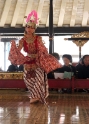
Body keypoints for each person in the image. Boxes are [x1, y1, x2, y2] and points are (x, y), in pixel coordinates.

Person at [8, 10, 61, 104]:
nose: (30, 29)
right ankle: (36, 96)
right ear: (25, 27)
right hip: (28, 61)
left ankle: (34, 97)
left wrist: (39, 55)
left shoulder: (38, 38)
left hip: (38, 60)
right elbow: (18, 51)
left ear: (34, 29)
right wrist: (13, 45)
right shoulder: (22, 40)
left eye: (32, 27)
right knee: (28, 80)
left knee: (40, 79)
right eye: (28, 27)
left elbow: (43, 49)